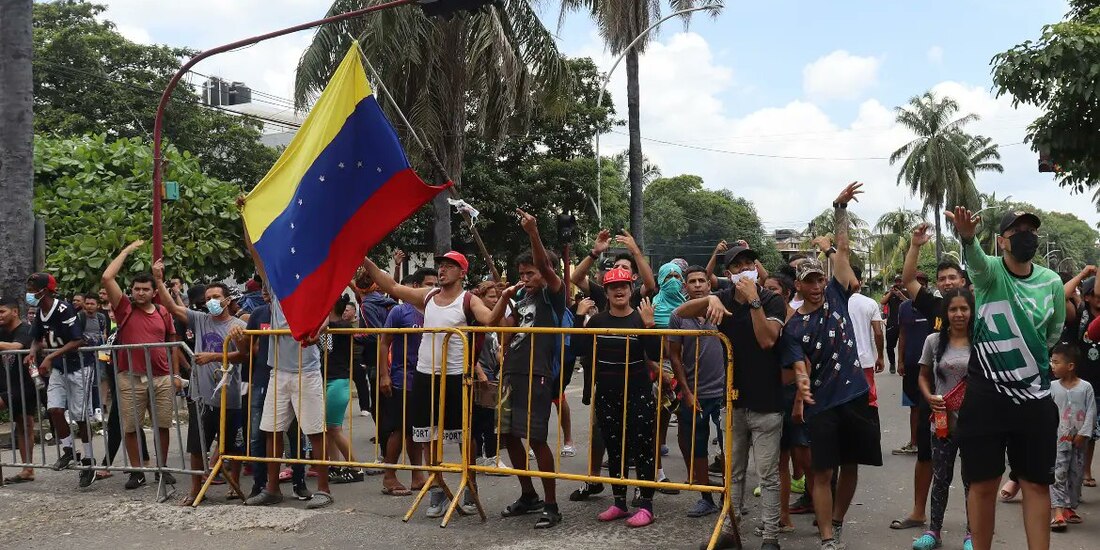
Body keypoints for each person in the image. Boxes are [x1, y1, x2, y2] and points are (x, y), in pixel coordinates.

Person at [361, 249, 513, 518]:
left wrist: (502, 299)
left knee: (464, 437)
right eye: (441, 265)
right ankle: (437, 490)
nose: (442, 270)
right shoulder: (428, 296)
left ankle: (470, 487)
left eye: (449, 266)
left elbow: (490, 320)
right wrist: (363, 258)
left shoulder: (468, 300)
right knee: (427, 434)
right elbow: (392, 285)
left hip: (456, 377)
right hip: (425, 376)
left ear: (462, 273)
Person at [946, 207, 1065, 550]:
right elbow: (976, 261)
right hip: (986, 398)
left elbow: (1051, 335)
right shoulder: (989, 274)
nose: (1027, 236)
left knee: (1037, 484)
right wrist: (967, 237)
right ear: (1002, 242)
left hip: (1035, 400)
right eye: (1017, 231)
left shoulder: (1051, 282)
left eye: (1031, 230)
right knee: (983, 483)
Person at [780, 182, 883, 550]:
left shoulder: (839, 296)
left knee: (851, 466)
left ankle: (837, 521)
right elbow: (796, 363)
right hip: (821, 405)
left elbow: (842, 248)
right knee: (822, 471)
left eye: (820, 278)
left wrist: (840, 208)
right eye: (810, 281)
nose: (818, 285)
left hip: (855, 395)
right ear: (799, 285)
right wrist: (803, 384)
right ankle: (826, 538)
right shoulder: (794, 325)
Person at [678, 244, 787, 550]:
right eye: (737, 266)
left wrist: (754, 301)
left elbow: (767, 340)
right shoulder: (722, 298)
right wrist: (708, 298)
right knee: (733, 473)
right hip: (733, 402)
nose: (744, 270)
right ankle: (731, 532)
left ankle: (770, 538)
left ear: (756, 267)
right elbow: (678, 313)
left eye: (748, 263)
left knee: (767, 475)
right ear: (727, 274)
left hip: (767, 402)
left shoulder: (771, 300)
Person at [496, 209, 570, 529]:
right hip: (511, 373)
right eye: (522, 274)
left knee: (536, 439)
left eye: (530, 274)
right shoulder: (522, 299)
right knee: (509, 436)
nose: (525, 279)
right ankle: (529, 494)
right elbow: (501, 327)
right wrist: (503, 299)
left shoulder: (554, 295)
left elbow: (544, 266)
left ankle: (551, 504)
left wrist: (533, 233)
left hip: (537, 374)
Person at [572, 267, 662, 528]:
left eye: (623, 285)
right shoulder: (598, 321)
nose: (619, 290)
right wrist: (579, 320)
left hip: (638, 392)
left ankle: (646, 504)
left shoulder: (639, 318)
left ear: (631, 289)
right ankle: (619, 502)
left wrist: (650, 325)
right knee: (614, 447)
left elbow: (655, 354)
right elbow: (580, 350)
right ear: (607, 292)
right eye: (613, 287)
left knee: (643, 447)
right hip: (607, 393)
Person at [155, 265, 247, 503]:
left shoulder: (239, 325)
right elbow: (172, 307)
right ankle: (197, 489)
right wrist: (158, 280)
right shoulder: (200, 319)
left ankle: (233, 485)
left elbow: (245, 356)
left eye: (216, 297)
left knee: (233, 447)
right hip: (201, 397)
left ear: (226, 299)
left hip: (230, 395)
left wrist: (214, 357)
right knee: (197, 447)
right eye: (208, 298)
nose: (211, 302)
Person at [101, 241, 179, 490]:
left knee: (163, 425)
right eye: (136, 289)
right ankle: (137, 471)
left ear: (154, 292)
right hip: (130, 377)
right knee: (131, 427)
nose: (140, 293)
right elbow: (107, 276)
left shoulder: (163, 312)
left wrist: (176, 374)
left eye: (145, 289)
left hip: (161, 377)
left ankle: (162, 468)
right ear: (131, 291)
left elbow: (172, 342)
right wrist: (125, 251)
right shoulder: (124, 309)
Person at [913, 288, 975, 550]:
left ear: (972, 312)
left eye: (964, 309)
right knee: (940, 477)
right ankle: (934, 531)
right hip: (941, 424)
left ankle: (973, 534)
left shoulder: (983, 342)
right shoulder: (933, 342)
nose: (959, 314)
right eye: (953, 309)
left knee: (972, 480)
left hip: (975, 424)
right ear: (946, 313)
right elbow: (923, 376)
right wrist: (929, 397)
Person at [24, 271, 95, 488]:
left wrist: (51, 356)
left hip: (79, 365)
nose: (29, 292)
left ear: (44, 290)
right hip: (58, 367)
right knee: (54, 409)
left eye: (33, 287)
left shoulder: (64, 309)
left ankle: (89, 461)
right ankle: (68, 450)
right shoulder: (39, 313)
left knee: (81, 415)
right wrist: (32, 352)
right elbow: (37, 338)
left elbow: (77, 340)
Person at [668, 266, 726, 519]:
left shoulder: (721, 311)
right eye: (692, 281)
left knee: (729, 449)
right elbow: (674, 356)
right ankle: (706, 498)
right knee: (698, 447)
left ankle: (729, 496)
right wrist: (686, 391)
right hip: (695, 393)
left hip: (724, 392)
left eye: (702, 280)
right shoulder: (678, 317)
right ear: (685, 287)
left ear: (709, 285)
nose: (698, 285)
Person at [378, 268, 437, 496]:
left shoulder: (436, 312)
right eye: (428, 284)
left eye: (435, 285)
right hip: (402, 378)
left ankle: (417, 476)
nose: (433, 289)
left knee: (417, 432)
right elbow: (384, 342)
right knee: (398, 430)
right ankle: (389, 476)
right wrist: (384, 375)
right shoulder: (399, 312)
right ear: (415, 286)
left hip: (425, 379)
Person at [764, 274, 812, 526]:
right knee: (779, 459)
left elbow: (806, 364)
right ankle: (783, 516)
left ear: (785, 293)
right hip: (772, 395)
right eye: (765, 288)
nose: (768, 292)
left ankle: (822, 508)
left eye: (773, 288)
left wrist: (799, 402)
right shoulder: (762, 320)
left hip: (795, 394)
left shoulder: (797, 321)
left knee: (805, 457)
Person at [1059, 266, 1100, 488]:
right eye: (1094, 294)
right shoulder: (1080, 312)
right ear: (1087, 296)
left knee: (1091, 432)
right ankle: (1076, 472)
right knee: (1078, 431)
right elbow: (1061, 295)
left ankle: (1082, 471)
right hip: (1080, 386)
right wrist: (1083, 275)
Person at [1048, 344, 1094, 533]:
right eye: (1051, 361)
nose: (1052, 365)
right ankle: (1057, 511)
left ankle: (1068, 507)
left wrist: (1084, 433)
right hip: (1058, 440)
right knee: (1058, 474)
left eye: (1056, 362)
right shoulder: (1051, 388)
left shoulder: (1085, 388)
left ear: (1070, 366)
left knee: (1075, 475)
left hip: (1079, 440)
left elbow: (1091, 411)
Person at [321, 293, 363, 484]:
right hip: (331, 379)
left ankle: (355, 468)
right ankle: (334, 465)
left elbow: (323, 333)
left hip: (337, 381)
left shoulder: (339, 327)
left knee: (334, 428)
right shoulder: (334, 327)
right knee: (330, 428)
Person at [570, 228, 657, 311]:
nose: (619, 269)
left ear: (634, 276)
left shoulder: (637, 295)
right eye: (616, 267)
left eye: (624, 267)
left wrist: (636, 252)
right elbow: (576, 279)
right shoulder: (602, 293)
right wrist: (594, 253)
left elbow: (650, 285)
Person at [0, 295, 37, 483]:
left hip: (24, 385)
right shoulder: (1, 330)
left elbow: (16, 347)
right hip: (6, 383)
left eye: (2, 311)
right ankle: (27, 469)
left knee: (26, 425)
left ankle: (28, 468)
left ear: (15, 312)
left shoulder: (26, 329)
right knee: (24, 424)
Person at [847, 265, 886, 407]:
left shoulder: (834, 302)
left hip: (842, 361)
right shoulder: (870, 303)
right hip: (865, 359)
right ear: (861, 281)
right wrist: (880, 356)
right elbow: (878, 332)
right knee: (869, 400)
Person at [881, 276, 907, 374]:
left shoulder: (906, 292)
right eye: (896, 282)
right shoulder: (890, 294)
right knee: (889, 346)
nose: (898, 284)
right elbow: (882, 302)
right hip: (892, 322)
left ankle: (902, 363)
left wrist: (901, 295)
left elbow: (911, 303)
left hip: (904, 323)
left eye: (900, 281)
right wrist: (891, 292)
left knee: (904, 344)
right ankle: (892, 363)